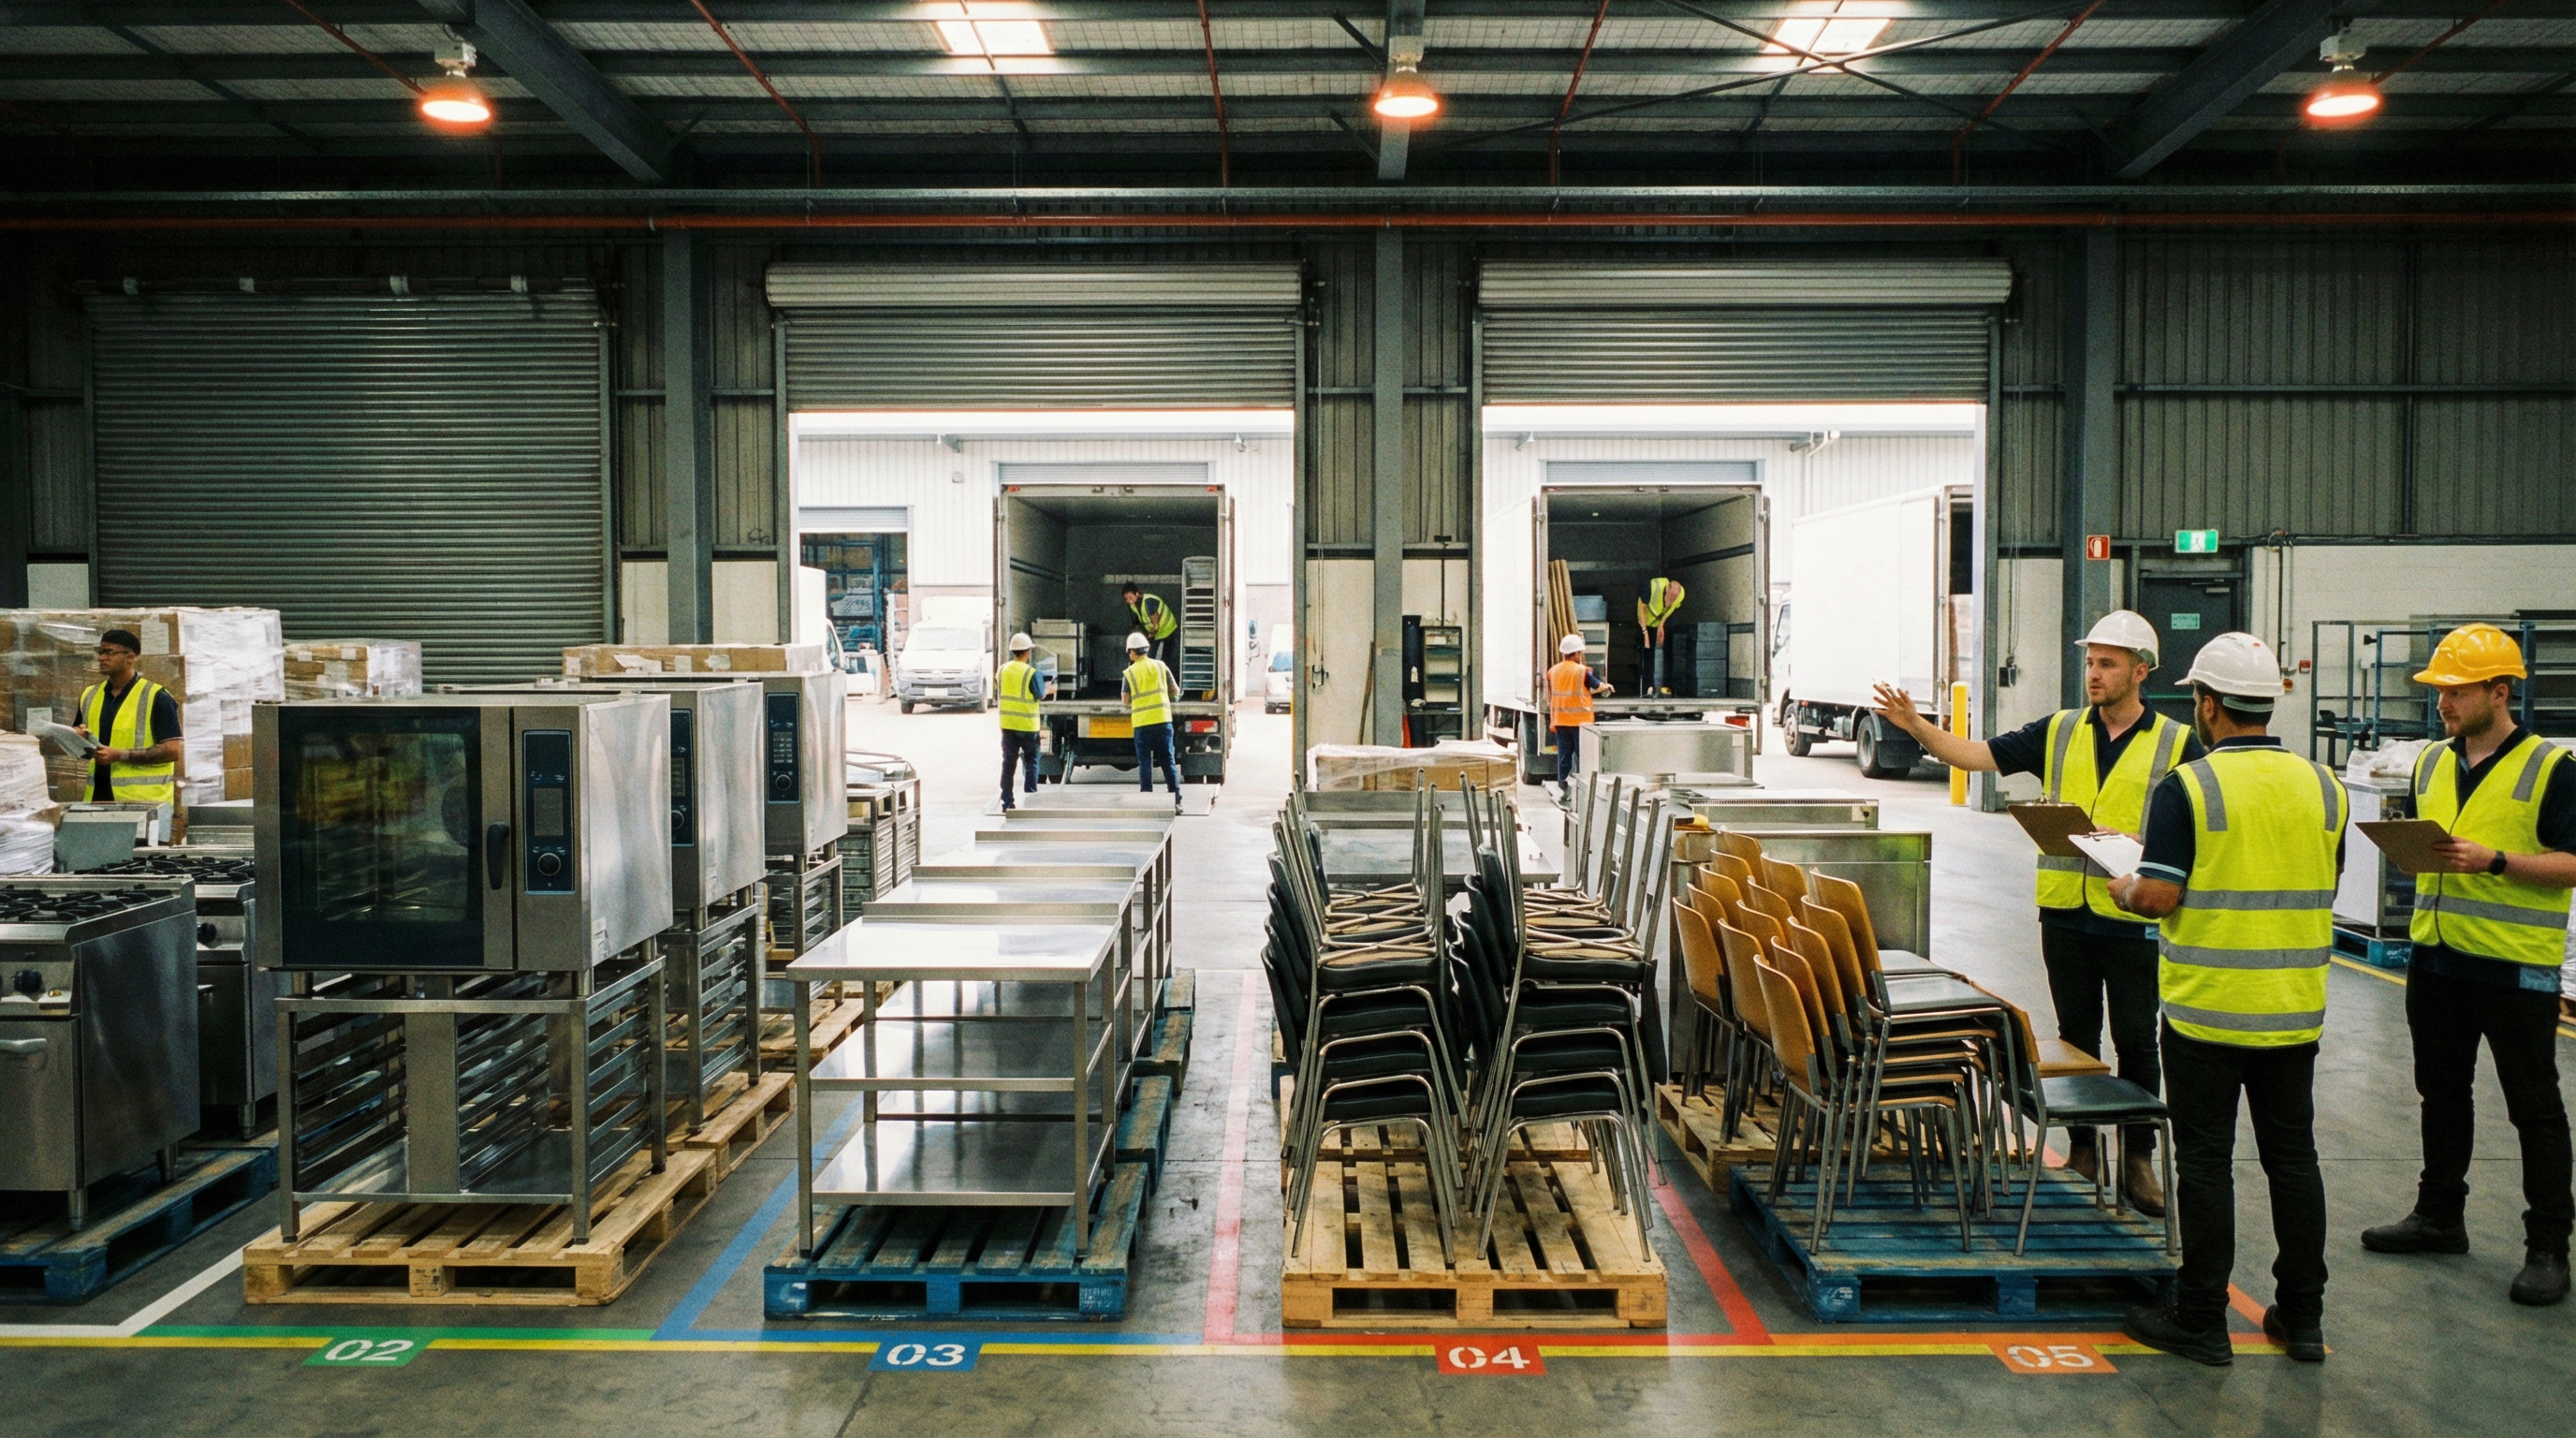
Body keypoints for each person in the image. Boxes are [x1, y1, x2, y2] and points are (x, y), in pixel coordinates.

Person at [1873, 609, 2200, 1214]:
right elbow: (1972, 755)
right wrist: (1915, 724)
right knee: (2075, 1034)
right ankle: (2081, 1149)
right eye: (2090, 662)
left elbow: (2199, 825)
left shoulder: (2180, 743)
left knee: (2136, 1041)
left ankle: (2137, 1160)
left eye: (2107, 663)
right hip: (2066, 915)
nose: (2094, 674)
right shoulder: (2060, 730)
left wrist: (2137, 844)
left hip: (2134, 917)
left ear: (2140, 671)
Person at [2106, 631, 2341, 1367]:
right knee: (2293, 1161)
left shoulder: (2190, 786)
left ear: (2207, 705)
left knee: (2206, 1163)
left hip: (2207, 1011)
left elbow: (2161, 893)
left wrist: (2125, 886)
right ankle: (2302, 1318)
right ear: (2268, 704)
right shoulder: (2324, 785)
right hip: (2294, 1008)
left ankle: (2202, 1316)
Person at [2358, 624, 2576, 1308]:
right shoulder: (2429, 764)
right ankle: (2439, 1216)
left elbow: (2573, 863)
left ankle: (2548, 1246)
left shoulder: (2551, 768)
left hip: (2514, 969)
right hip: (2438, 959)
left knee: (2533, 1108)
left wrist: (2499, 862)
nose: (2444, 703)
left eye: (2456, 691)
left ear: (2499, 691)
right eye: (2440, 691)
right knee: (2442, 1094)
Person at [75, 628, 183, 806]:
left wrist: (119, 755)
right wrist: (76, 737)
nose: (101, 658)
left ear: (130, 658)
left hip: (143, 803)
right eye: (100, 652)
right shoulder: (89, 695)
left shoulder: (157, 696)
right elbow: (85, 748)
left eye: (109, 652)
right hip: (97, 799)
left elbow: (172, 750)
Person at [1546, 633, 1612, 806]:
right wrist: (1607, 686)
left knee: (1564, 756)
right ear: (1576, 653)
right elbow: (1597, 686)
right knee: (1583, 757)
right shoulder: (1581, 671)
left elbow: (1552, 695)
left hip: (1560, 721)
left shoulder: (1552, 671)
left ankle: (1564, 788)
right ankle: (1585, 790)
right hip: (1580, 722)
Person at [1122, 631, 1181, 809]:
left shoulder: (1129, 673)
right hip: (1163, 722)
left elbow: (1125, 701)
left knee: (1145, 764)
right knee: (1167, 762)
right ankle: (1176, 801)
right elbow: (1175, 691)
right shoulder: (1160, 666)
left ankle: (1147, 802)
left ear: (1132, 652)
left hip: (1142, 725)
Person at [996, 632, 1051, 813]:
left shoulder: (1002, 670)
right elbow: (1039, 695)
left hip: (1008, 725)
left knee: (1008, 764)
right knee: (1031, 762)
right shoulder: (1032, 673)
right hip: (1027, 726)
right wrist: (1050, 689)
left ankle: (1007, 801)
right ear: (1027, 652)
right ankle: (1030, 800)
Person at [1636, 577, 1686, 697]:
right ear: (1666, 590)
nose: (1671, 601)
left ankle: (1667, 687)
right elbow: (1642, 609)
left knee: (1669, 650)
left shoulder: (1680, 595)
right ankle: (1648, 688)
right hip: (1645, 621)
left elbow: (1670, 610)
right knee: (1648, 652)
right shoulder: (1652, 587)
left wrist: (1661, 626)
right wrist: (1645, 632)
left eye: (1674, 599)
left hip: (1662, 620)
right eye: (1670, 597)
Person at [1121, 581, 1179, 676]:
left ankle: (1161, 677)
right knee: (1151, 655)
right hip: (1156, 632)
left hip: (1168, 629)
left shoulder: (1149, 601)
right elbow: (1142, 619)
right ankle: (1151, 675)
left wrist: (1152, 633)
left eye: (1130, 597)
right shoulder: (1133, 605)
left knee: (1164, 657)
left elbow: (1155, 621)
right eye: (1126, 599)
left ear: (1137, 594)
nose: (1129, 601)